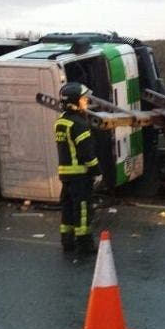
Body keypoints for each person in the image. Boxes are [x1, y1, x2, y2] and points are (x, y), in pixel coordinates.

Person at [53, 82, 102, 254]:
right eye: (83, 99)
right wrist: (97, 172)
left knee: (67, 208)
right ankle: (84, 243)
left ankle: (67, 240)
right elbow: (86, 153)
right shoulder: (79, 124)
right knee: (82, 209)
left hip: (65, 174)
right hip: (80, 174)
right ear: (75, 101)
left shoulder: (61, 122)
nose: (86, 101)